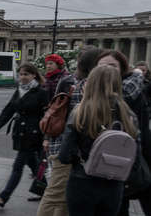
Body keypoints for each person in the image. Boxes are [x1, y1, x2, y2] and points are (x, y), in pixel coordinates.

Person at [58, 65, 139, 216]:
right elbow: (136, 159)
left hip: (82, 181)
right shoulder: (129, 115)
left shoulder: (80, 111)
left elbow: (64, 156)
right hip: (113, 184)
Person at [37, 47, 103, 216]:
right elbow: (54, 111)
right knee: (55, 195)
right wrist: (47, 138)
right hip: (65, 148)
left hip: (75, 150)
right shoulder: (74, 84)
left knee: (64, 197)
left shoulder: (90, 87)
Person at [96, 51, 151, 216]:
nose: (107, 70)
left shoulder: (132, 94)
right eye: (102, 66)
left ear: (122, 69)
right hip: (110, 163)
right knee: (119, 207)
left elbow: (142, 131)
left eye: (112, 66)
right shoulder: (91, 95)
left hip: (138, 158)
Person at [0, 63, 48, 208]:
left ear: (34, 75)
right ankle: (46, 190)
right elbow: (8, 111)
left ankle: (3, 197)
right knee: (33, 163)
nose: (23, 77)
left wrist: (46, 138)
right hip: (20, 133)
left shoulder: (41, 92)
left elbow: (47, 117)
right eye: (21, 74)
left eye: (26, 74)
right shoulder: (19, 90)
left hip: (33, 134)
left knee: (18, 165)